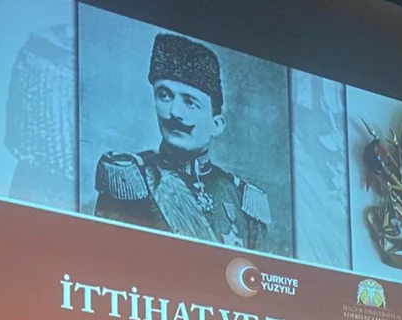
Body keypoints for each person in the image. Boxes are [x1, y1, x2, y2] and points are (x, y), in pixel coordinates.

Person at [94, 32, 271, 250]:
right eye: (164, 95)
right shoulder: (132, 181)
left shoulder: (241, 197)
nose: (174, 112)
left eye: (190, 102)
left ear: (216, 124)